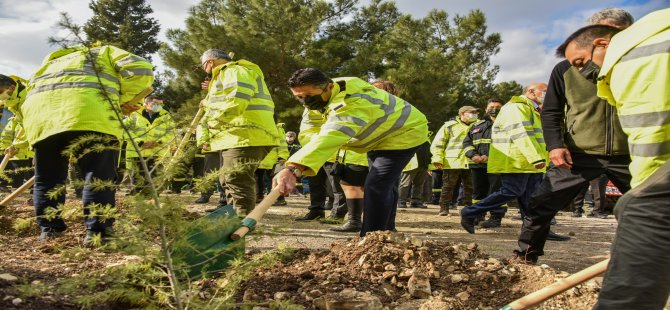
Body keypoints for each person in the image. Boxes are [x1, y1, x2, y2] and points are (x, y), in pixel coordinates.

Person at [508, 9, 635, 265]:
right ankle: (525, 255)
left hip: (632, 152)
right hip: (580, 152)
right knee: (541, 203)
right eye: (602, 33)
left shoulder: (643, 62)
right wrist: (555, 145)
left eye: (616, 33)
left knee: (656, 206)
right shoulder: (565, 69)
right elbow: (552, 111)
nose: (608, 40)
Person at [562, 9, 670, 308]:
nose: (584, 73)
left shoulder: (633, 59)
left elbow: (654, 140)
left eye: (582, 63)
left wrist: (643, 196)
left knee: (639, 209)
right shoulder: (658, 34)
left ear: (603, 44)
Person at [21, 45, 154, 244]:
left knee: (47, 179)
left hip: (43, 121)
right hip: (91, 115)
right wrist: (123, 99)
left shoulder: (47, 65)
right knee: (97, 176)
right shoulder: (103, 52)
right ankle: (98, 234)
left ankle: (49, 231)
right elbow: (141, 67)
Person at [274, 68, 429, 235]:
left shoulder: (352, 101)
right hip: (378, 139)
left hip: (404, 133)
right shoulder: (321, 97)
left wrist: (293, 168)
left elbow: (333, 133)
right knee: (384, 184)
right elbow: (310, 130)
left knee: (376, 185)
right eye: (299, 97)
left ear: (329, 87)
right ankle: (387, 230)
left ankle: (372, 238)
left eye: (309, 96)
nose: (305, 101)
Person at [459, 83, 548, 234]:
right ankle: (470, 212)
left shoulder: (531, 109)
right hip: (517, 160)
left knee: (531, 198)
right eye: (545, 90)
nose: (548, 93)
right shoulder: (516, 107)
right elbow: (521, 134)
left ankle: (536, 230)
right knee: (511, 191)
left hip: (529, 162)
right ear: (531, 91)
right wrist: (536, 158)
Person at [200, 49, 278, 215]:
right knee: (227, 179)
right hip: (235, 136)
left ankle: (242, 223)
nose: (204, 69)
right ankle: (233, 216)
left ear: (211, 62)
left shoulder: (234, 71)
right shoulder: (225, 76)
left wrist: (216, 118)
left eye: (203, 65)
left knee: (237, 179)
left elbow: (237, 99)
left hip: (246, 135)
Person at [293, 108, 346, 221]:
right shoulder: (309, 105)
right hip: (313, 150)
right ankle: (316, 211)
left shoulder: (333, 102)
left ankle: (338, 214)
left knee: (335, 186)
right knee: (315, 184)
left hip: (330, 151)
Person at [463, 98, 506, 228]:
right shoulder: (477, 126)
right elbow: (466, 143)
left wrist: (490, 156)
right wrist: (473, 155)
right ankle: (478, 215)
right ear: (486, 108)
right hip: (478, 165)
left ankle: (495, 217)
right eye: (491, 106)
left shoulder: (507, 124)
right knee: (478, 193)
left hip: (498, 164)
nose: (494, 109)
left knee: (496, 192)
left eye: (498, 106)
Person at [124, 96, 176, 194]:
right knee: (137, 179)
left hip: (158, 152)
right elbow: (126, 130)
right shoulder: (134, 115)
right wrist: (140, 142)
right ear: (146, 104)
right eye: (155, 104)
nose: (159, 106)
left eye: (161, 104)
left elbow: (171, 133)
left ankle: (152, 200)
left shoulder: (166, 116)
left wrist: (158, 142)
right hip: (138, 152)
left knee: (155, 180)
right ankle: (137, 198)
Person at [431, 106, 478, 215]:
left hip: (472, 161)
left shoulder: (479, 126)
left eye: (476, 112)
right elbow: (438, 144)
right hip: (453, 162)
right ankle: (444, 208)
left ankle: (469, 209)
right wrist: (437, 158)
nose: (475, 114)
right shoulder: (449, 126)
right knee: (448, 187)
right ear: (462, 114)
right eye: (471, 112)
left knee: (471, 187)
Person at [0, 75, 33, 190]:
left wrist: (17, 145)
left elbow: (31, 123)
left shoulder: (27, 98)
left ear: (12, 87)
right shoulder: (14, 102)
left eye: (0, 91)